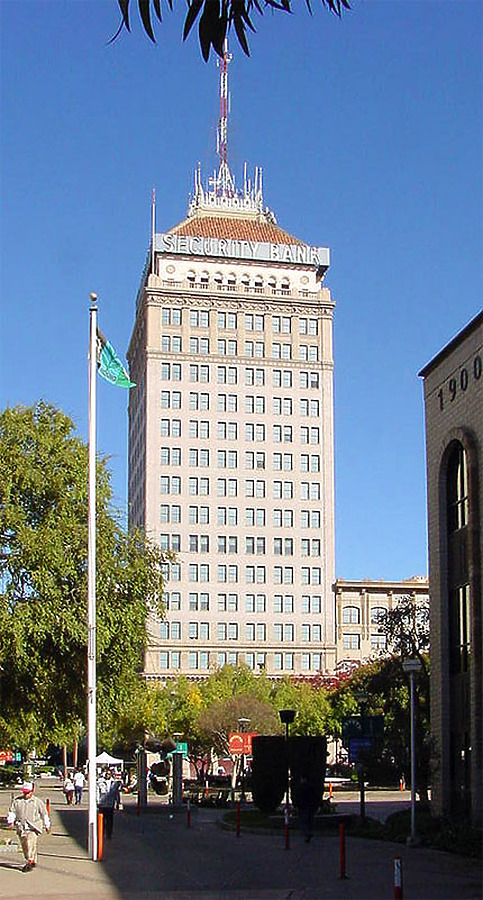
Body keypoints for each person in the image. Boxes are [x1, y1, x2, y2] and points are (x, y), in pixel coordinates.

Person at [7, 781, 51, 872]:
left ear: (32, 791)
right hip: (21, 827)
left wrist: (47, 825)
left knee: (30, 842)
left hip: (33, 827)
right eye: (24, 792)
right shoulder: (17, 801)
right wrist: (10, 821)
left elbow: (44, 814)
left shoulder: (37, 802)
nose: (26, 794)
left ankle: (29, 862)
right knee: (25, 845)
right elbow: (12, 812)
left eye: (28, 792)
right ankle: (32, 859)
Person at [97, 769, 120, 839]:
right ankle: (101, 833)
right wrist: (97, 801)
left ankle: (109, 834)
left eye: (109, 774)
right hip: (102, 804)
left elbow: (117, 793)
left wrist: (118, 802)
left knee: (110, 820)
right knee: (102, 820)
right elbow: (97, 792)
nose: (108, 775)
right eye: (107, 774)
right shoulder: (100, 782)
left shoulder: (114, 783)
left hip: (110, 804)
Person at [296, 774, 319, 843]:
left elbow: (299, 798)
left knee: (304, 821)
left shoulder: (301, 788)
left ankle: (307, 834)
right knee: (310, 820)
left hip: (303, 807)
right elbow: (316, 797)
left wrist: (298, 805)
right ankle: (310, 832)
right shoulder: (312, 787)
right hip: (311, 806)